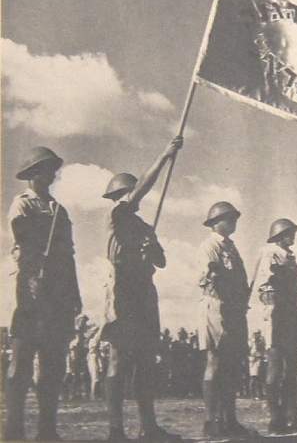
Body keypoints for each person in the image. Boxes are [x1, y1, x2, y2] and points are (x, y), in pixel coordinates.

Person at [100, 136, 182, 443]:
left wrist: (150, 252)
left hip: (144, 292)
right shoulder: (115, 215)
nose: (135, 197)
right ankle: (115, 430)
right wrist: (164, 156)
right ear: (120, 196)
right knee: (119, 358)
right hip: (122, 291)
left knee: (146, 359)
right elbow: (142, 189)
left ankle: (148, 427)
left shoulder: (144, 226)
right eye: (129, 192)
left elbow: (161, 261)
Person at [4, 146, 82, 441]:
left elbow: (69, 254)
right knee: (22, 359)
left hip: (58, 292)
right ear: (34, 173)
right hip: (30, 285)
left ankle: (47, 430)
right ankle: (13, 430)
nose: (52, 173)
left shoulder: (59, 209)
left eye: (53, 168)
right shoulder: (22, 204)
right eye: (47, 168)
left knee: (53, 361)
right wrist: (36, 278)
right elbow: (25, 237)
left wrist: (73, 293)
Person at [255, 218, 297, 434]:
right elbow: (265, 287)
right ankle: (275, 419)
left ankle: (293, 415)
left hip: (290, 311)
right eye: (290, 233)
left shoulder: (290, 257)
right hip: (276, 313)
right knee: (275, 368)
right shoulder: (269, 253)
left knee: (291, 368)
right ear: (281, 234)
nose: (293, 236)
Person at [198, 201, 255, 438]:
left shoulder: (232, 247)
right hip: (217, 306)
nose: (233, 223)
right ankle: (212, 421)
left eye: (235, 219)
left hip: (234, 309)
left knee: (231, 365)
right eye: (229, 218)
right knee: (216, 361)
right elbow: (209, 276)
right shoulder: (209, 246)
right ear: (216, 221)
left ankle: (229, 419)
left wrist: (242, 294)